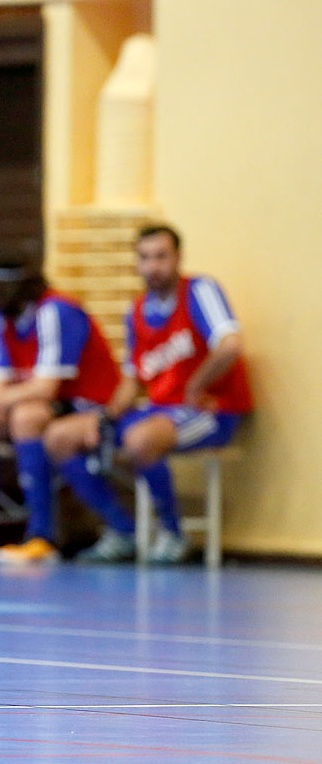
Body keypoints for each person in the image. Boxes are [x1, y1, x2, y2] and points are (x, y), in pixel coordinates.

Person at [41, 225, 251, 564]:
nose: (152, 266)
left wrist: (197, 385)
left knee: (140, 440)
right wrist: (104, 418)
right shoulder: (136, 311)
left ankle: (172, 534)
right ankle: (121, 528)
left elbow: (230, 345)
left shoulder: (199, 291)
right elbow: (132, 379)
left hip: (213, 411)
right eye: (144, 258)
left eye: (161, 257)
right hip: (160, 410)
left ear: (177, 258)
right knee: (59, 437)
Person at [0, 252, 120, 564]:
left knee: (26, 418)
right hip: (52, 403)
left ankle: (42, 535)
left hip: (87, 403)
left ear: (10, 288)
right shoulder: (0, 318)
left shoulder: (56, 310)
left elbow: (47, 388)